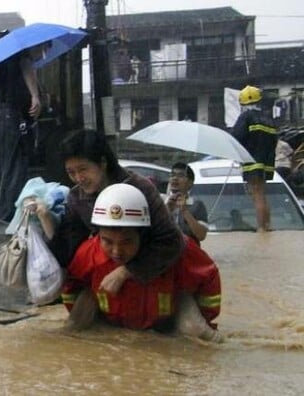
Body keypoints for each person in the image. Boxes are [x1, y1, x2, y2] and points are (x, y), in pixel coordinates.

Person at [62, 183, 222, 342]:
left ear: (143, 234)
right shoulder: (88, 254)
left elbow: (209, 276)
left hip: (167, 320)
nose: (117, 251)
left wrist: (206, 317)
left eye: (127, 242)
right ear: (97, 235)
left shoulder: (176, 249)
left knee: (198, 333)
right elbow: (70, 287)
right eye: (107, 242)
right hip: (110, 319)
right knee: (72, 328)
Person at [51, 129, 184, 295]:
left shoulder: (141, 189)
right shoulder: (77, 198)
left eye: (83, 169)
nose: (79, 178)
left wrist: (126, 272)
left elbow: (171, 242)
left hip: (156, 277)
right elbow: (71, 243)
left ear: (103, 162)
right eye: (71, 172)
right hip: (107, 279)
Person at [0, 41, 51, 221]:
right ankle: (6, 215)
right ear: (38, 46)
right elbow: (26, 65)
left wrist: (39, 92)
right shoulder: (22, 56)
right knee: (14, 166)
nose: (43, 55)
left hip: (4, 114)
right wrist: (35, 96)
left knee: (13, 165)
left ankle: (7, 212)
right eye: (44, 50)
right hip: (6, 113)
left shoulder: (14, 62)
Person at [232, 85, 278, 232]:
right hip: (266, 163)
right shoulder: (268, 119)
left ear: (243, 103)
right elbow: (274, 142)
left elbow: (236, 136)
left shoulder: (246, 116)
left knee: (256, 194)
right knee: (262, 194)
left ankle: (261, 229)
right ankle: (267, 226)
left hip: (251, 162)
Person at [165, 162, 208, 244]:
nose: (175, 178)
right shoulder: (161, 201)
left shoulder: (197, 205)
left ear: (190, 183)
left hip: (188, 252)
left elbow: (201, 235)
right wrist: (167, 210)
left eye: (181, 175)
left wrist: (185, 211)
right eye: (172, 175)